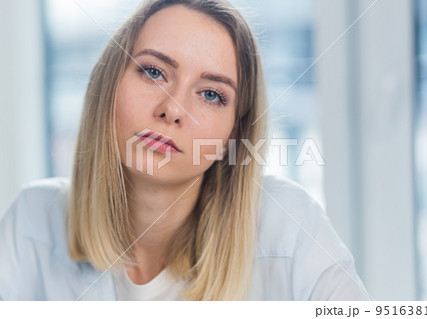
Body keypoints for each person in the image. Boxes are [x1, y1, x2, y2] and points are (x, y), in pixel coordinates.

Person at [0, 0, 371, 301]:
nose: (172, 109)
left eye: (211, 94)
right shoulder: (34, 220)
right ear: (109, 82)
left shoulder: (287, 223)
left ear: (233, 134)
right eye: (153, 72)